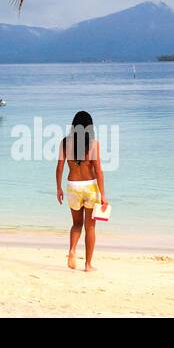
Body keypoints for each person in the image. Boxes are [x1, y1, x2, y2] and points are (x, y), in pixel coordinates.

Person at [55, 110, 108, 272]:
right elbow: (98, 170)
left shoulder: (64, 142)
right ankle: (87, 265)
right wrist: (103, 194)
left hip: (73, 186)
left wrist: (58, 188)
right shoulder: (93, 143)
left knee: (76, 224)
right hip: (90, 187)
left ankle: (72, 250)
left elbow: (59, 167)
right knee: (90, 227)